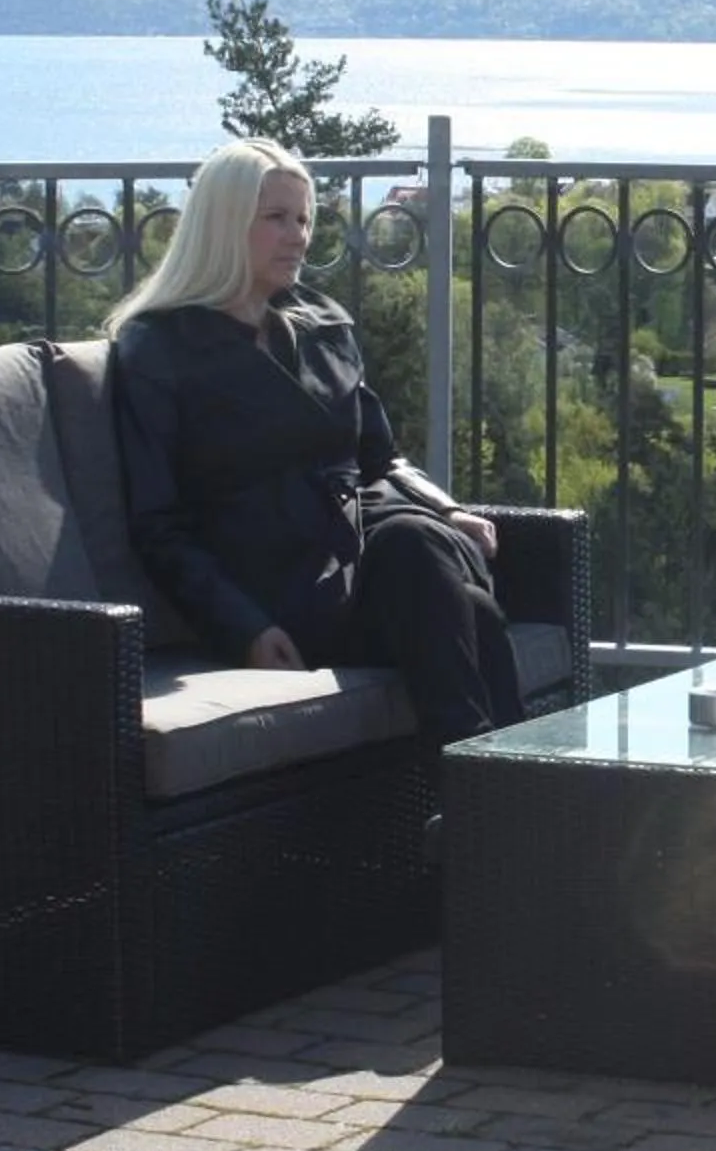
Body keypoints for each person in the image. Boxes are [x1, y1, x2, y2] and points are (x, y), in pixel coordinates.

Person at [109, 138, 523, 743]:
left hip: (362, 557)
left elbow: (380, 458)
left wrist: (448, 509)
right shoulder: (159, 349)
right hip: (270, 582)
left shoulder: (323, 325)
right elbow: (156, 524)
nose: (299, 235)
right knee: (462, 602)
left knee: (436, 569)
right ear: (223, 224)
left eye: (303, 218)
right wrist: (244, 626)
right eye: (276, 218)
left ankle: (493, 805)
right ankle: (512, 803)